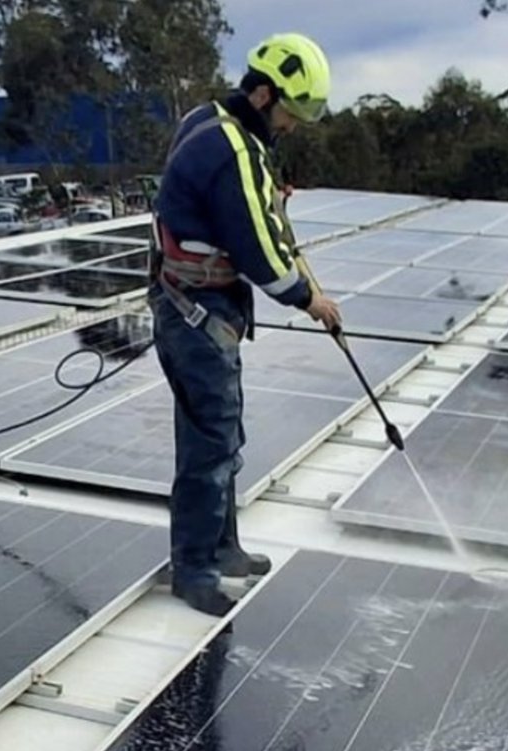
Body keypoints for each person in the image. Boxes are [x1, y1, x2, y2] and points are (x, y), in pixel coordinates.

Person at [149, 33, 342, 616]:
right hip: (196, 313)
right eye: (289, 114)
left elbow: (244, 206)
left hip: (199, 305)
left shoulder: (209, 121)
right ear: (262, 95)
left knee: (221, 433)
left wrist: (268, 196)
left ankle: (224, 547)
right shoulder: (234, 149)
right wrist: (311, 300)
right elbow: (259, 250)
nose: (290, 127)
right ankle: (194, 568)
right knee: (210, 442)